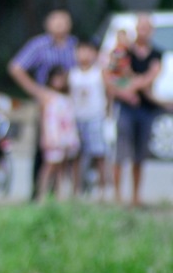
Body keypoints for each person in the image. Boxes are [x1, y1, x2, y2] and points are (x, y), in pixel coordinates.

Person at [8, 9, 78, 200]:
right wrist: (39, 93)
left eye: (64, 22)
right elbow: (16, 67)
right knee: (45, 149)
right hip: (49, 107)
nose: (60, 26)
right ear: (48, 24)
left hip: (69, 106)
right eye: (56, 22)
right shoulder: (39, 45)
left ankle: (63, 193)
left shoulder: (74, 45)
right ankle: (38, 193)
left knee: (69, 151)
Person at [105, 13, 163, 208]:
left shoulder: (156, 54)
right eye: (141, 27)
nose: (143, 31)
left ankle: (136, 196)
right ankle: (117, 194)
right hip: (126, 107)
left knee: (140, 154)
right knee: (120, 152)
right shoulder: (123, 52)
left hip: (146, 109)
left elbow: (152, 75)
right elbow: (111, 74)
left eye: (147, 27)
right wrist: (125, 92)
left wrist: (132, 85)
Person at [28, 66, 79, 201]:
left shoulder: (67, 96)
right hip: (53, 134)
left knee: (62, 166)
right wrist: (45, 136)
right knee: (49, 165)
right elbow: (43, 116)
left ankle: (58, 195)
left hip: (65, 134)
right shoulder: (46, 95)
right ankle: (41, 195)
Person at [69, 40, 108, 198]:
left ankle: (102, 191)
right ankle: (76, 190)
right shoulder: (72, 74)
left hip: (95, 117)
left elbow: (110, 93)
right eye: (81, 51)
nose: (84, 55)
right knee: (76, 156)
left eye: (88, 51)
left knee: (99, 155)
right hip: (76, 118)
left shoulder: (99, 73)